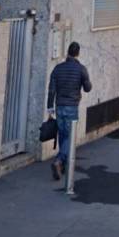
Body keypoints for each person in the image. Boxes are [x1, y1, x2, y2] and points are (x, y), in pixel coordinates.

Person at [46, 42, 92, 181]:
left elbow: (51, 90)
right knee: (70, 137)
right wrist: (84, 80)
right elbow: (88, 88)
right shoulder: (81, 69)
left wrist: (50, 108)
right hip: (72, 106)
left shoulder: (58, 68)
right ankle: (59, 160)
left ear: (68, 52)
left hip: (59, 106)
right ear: (78, 53)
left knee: (62, 134)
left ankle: (63, 165)